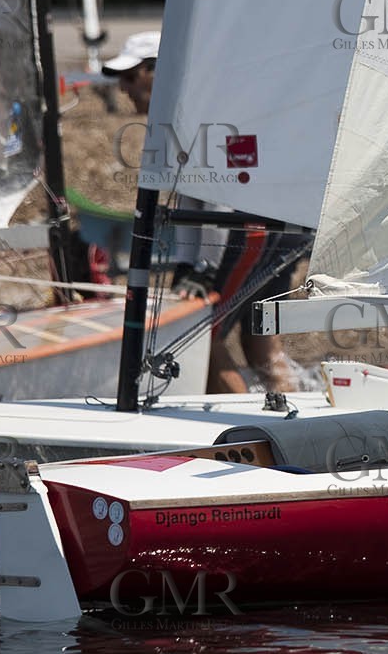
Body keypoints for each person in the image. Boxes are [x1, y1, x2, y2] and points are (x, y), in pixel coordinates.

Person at [102, 31, 308, 394]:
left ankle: (248, 435)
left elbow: (219, 199)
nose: (123, 89)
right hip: (277, 224)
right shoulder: (201, 105)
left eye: (131, 77)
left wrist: (203, 268)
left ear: (158, 72)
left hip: (249, 230)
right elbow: (195, 198)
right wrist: (186, 262)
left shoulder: (199, 112)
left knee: (200, 338)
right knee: (259, 338)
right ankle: (294, 420)